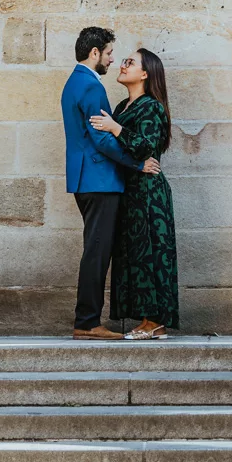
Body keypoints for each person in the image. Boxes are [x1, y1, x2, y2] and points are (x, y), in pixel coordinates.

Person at [61, 27, 160, 340]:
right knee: (97, 252)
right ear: (94, 53)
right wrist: (136, 162)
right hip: (100, 180)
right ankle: (88, 322)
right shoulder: (91, 86)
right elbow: (101, 138)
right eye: (108, 54)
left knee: (96, 249)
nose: (112, 59)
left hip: (85, 179)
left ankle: (87, 320)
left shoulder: (73, 82)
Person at [90, 49, 179, 340]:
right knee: (133, 255)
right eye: (124, 60)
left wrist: (115, 128)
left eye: (130, 62)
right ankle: (146, 321)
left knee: (150, 253)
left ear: (145, 74)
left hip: (149, 193)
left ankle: (154, 323)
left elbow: (146, 145)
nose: (123, 65)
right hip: (129, 191)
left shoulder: (151, 106)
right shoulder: (122, 106)